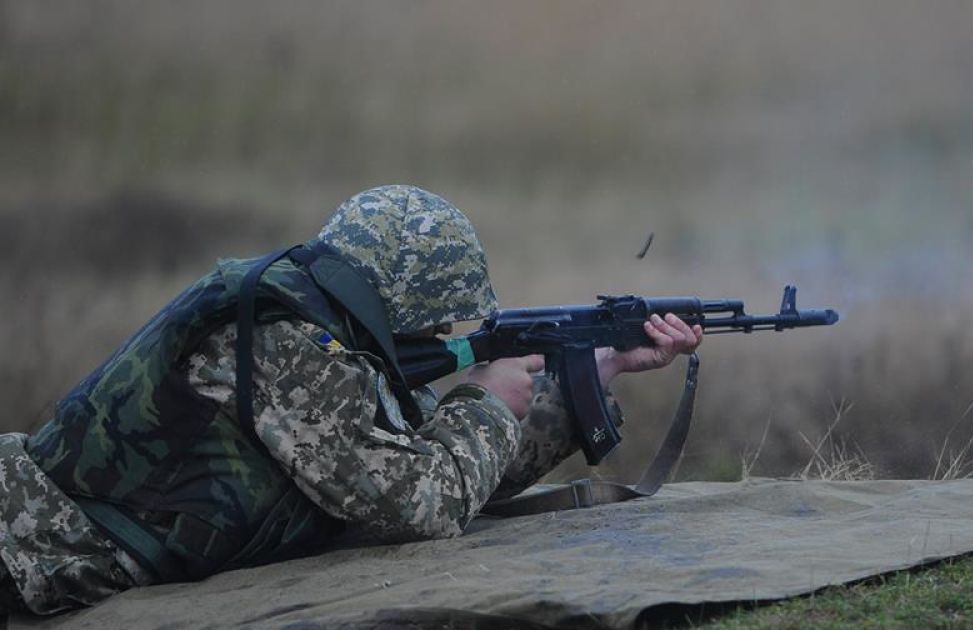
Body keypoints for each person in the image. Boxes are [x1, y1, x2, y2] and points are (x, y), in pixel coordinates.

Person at [0, 185, 701, 616]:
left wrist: (598, 370)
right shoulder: (293, 352)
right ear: (403, 299)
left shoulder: (323, 340)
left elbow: (444, 467)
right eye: (434, 318)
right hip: (24, 549)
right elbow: (422, 502)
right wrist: (485, 402)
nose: (438, 336)